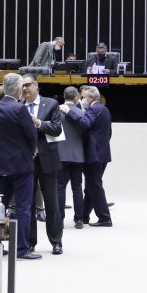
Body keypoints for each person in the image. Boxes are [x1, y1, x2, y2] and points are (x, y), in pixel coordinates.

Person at [0, 73, 40, 260]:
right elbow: (32, 136)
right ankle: (21, 249)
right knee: (23, 207)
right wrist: (30, 151)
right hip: (21, 165)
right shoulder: (20, 109)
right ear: (16, 89)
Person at [21, 75, 64, 255]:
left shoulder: (51, 104)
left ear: (37, 86)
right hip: (26, 161)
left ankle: (56, 241)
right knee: (28, 204)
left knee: (52, 203)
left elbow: (56, 128)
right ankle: (30, 243)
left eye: (28, 85)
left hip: (47, 159)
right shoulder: (18, 106)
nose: (25, 89)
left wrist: (38, 122)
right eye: (22, 86)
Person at [59, 85, 113, 227]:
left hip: (94, 154)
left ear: (91, 97)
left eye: (84, 97)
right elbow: (109, 133)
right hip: (102, 153)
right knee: (90, 186)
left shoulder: (94, 109)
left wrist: (68, 111)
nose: (82, 99)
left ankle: (104, 217)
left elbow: (85, 123)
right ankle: (84, 216)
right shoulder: (104, 109)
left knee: (95, 185)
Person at [57, 86, 85, 229]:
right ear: (76, 97)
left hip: (61, 154)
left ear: (64, 96)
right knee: (77, 187)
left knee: (60, 188)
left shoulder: (56, 112)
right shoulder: (81, 113)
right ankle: (79, 219)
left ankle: (60, 219)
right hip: (78, 155)